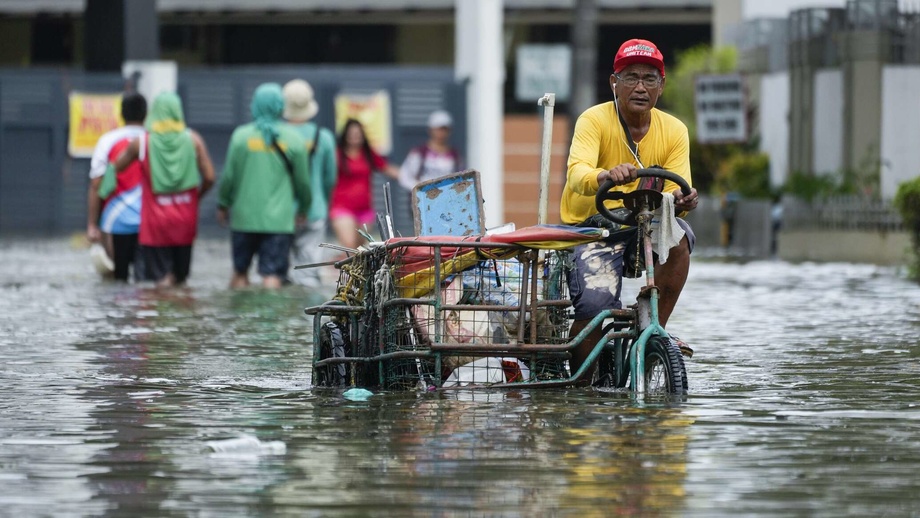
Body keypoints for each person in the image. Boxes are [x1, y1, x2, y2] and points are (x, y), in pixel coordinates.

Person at [562, 38, 700, 375]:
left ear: (661, 86)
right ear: (615, 83)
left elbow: (674, 190)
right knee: (595, 306)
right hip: (590, 228)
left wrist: (683, 202)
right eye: (631, 77)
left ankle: (653, 328)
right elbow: (577, 172)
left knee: (679, 235)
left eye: (649, 79)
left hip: (643, 226)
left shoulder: (674, 130)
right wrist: (605, 175)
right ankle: (582, 388)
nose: (640, 87)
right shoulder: (593, 120)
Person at [114, 92, 216, 288]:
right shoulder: (193, 140)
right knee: (181, 279)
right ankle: (180, 316)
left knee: (161, 280)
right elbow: (210, 177)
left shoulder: (142, 142)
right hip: (185, 219)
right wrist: (197, 196)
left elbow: (117, 166)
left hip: (156, 223)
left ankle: (162, 315)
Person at [217, 83, 312, 289]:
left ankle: (238, 318)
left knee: (240, 272)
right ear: (280, 106)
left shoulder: (240, 137)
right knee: (272, 275)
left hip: (243, 219)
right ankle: (270, 318)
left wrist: (223, 205)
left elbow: (228, 178)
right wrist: (304, 208)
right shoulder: (294, 139)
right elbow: (303, 182)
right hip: (278, 221)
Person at [86, 92, 147, 281]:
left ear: (121, 114)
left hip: (115, 223)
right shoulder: (152, 139)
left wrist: (92, 225)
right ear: (146, 114)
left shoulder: (107, 140)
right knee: (145, 286)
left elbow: (96, 184)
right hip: (148, 223)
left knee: (116, 281)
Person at [282, 79, 337, 287]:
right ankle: (307, 319)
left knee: (277, 275)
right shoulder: (323, 137)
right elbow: (329, 177)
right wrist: (322, 200)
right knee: (309, 274)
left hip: (281, 213)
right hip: (315, 210)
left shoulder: (278, 135)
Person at [329, 118, 399, 251]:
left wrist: (411, 178)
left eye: (358, 133)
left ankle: (340, 263)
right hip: (342, 208)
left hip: (365, 210)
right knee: (349, 246)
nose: (355, 136)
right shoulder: (337, 155)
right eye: (351, 133)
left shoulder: (368, 154)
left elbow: (387, 168)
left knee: (359, 250)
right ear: (345, 135)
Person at [397, 109, 462, 192]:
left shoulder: (455, 156)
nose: (441, 133)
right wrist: (421, 188)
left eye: (444, 129)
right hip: (422, 200)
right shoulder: (419, 153)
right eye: (438, 129)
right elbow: (404, 177)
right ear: (431, 130)